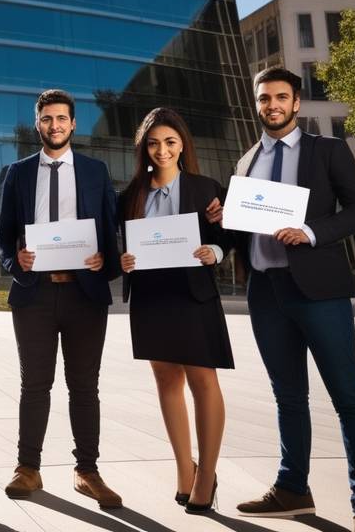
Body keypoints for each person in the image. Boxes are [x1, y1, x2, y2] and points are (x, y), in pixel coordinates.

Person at [218, 67, 355, 532]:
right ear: (256, 104)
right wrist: (223, 215)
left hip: (319, 291)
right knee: (288, 397)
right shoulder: (246, 161)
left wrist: (311, 232)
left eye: (281, 97)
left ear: (296, 103)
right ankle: (293, 488)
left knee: (349, 397)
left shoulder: (327, 151)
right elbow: (240, 227)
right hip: (266, 292)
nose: (272, 104)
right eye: (264, 97)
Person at [0, 88, 122, 508]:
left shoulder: (95, 171)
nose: (54, 126)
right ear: (38, 123)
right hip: (35, 294)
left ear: (72, 123)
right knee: (34, 385)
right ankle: (27, 468)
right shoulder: (17, 173)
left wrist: (105, 261)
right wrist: (17, 261)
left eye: (61, 118)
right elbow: (2, 234)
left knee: (85, 387)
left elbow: (110, 229)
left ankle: (88, 471)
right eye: (47, 119)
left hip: (85, 294)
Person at [117, 107, 233, 515]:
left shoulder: (206, 188)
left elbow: (226, 237)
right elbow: (120, 247)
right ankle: (185, 468)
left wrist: (213, 251)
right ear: (143, 148)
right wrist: (123, 261)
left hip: (192, 295)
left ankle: (208, 474)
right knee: (166, 380)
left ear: (182, 144)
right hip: (151, 297)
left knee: (203, 380)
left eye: (169, 142)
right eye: (153, 143)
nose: (162, 150)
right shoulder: (130, 195)